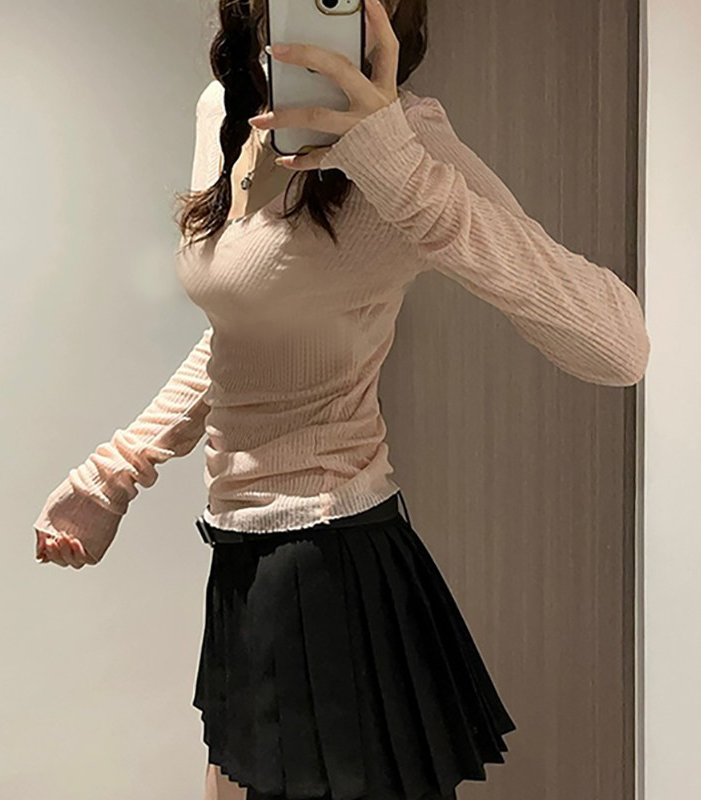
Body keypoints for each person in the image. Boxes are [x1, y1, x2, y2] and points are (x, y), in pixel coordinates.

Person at [32, 1, 650, 798]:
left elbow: (618, 346)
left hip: (333, 571)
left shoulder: (408, 142)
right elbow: (244, 333)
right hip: (242, 559)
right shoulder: (224, 109)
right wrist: (114, 473)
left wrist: (400, 172)